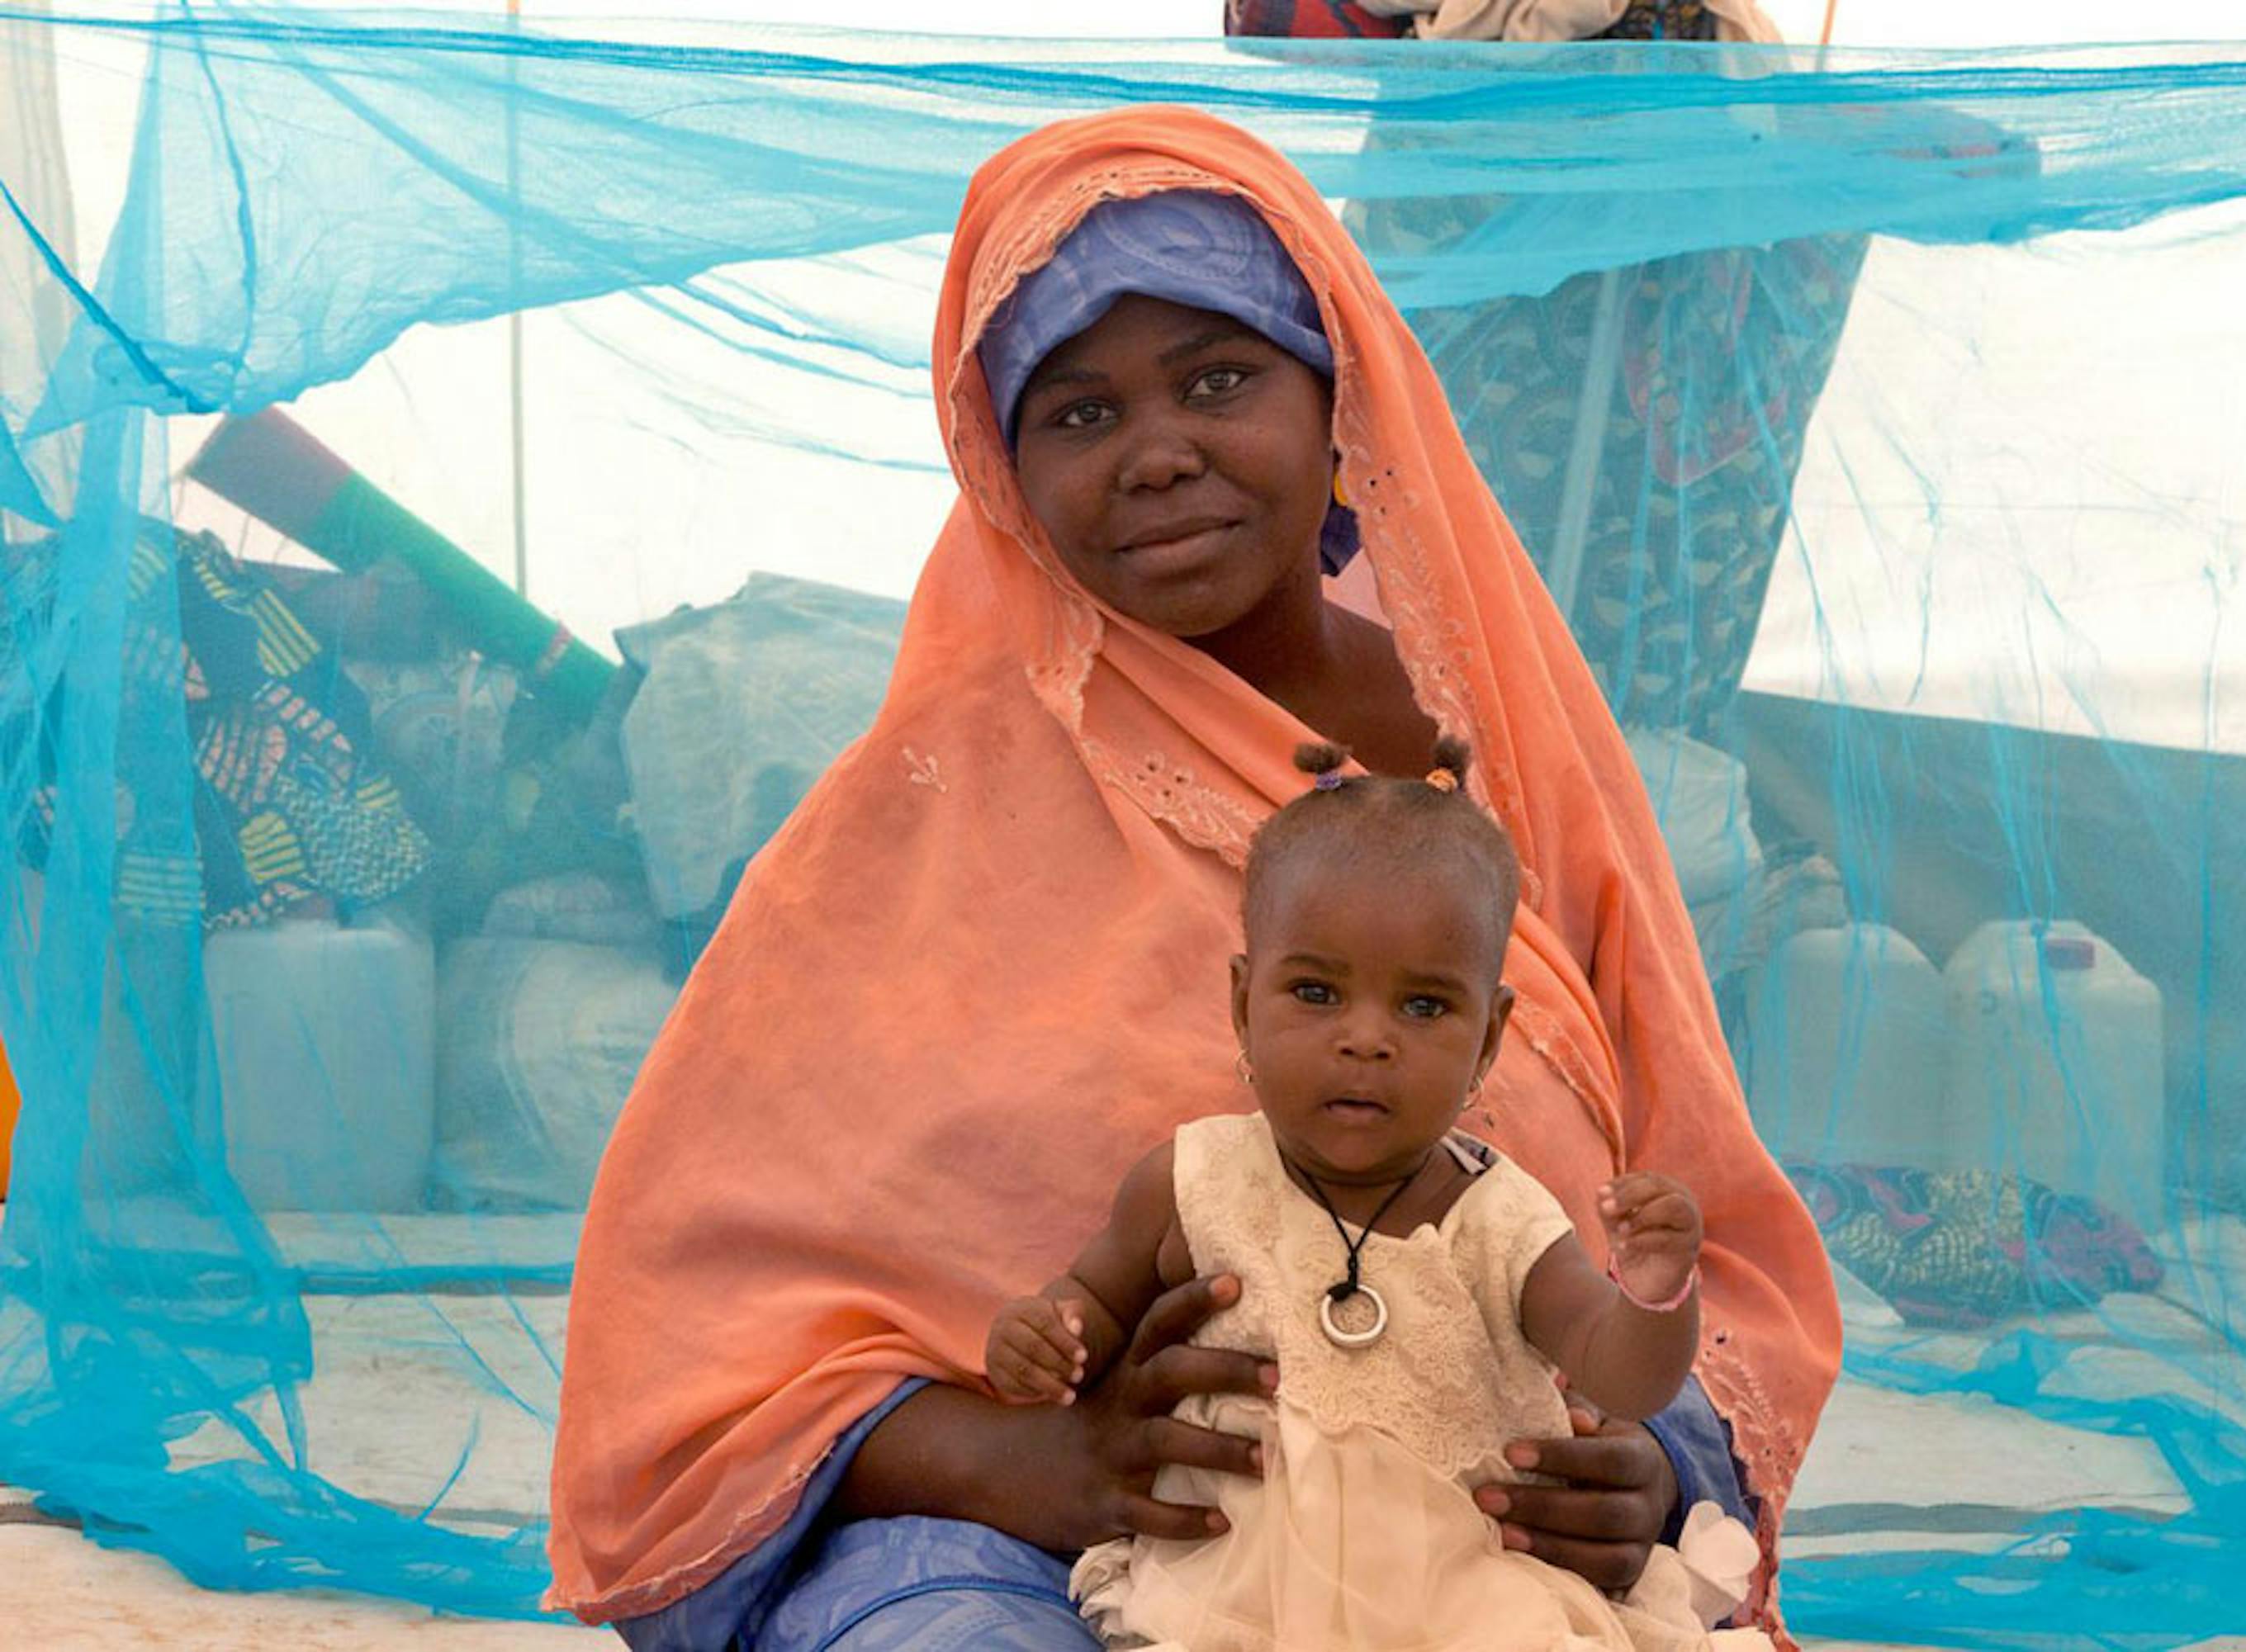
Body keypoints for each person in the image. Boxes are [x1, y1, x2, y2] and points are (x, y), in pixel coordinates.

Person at [547, 108, 1838, 1650]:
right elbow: (704, 1345)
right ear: (1005, 471)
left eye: (1220, 381)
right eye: (1079, 414)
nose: (1158, 454)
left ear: (1335, 396)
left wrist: (1643, 1462)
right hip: (1015, 1547)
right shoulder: (919, 811)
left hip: (1467, 1541)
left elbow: (1695, 1218)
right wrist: (1045, 1462)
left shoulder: (1495, 751)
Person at [987, 737, 1768, 1650]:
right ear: (1244, 1003)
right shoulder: (1189, 1181)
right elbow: (1091, 1302)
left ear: (1489, 1037)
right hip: (1236, 1590)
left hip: (1465, 1595)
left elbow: (1622, 1373)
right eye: (1316, 992)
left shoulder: (1503, 1219)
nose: (1367, 1040)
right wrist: (1041, 1337)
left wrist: (1656, 1291)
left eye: (1425, 1007)